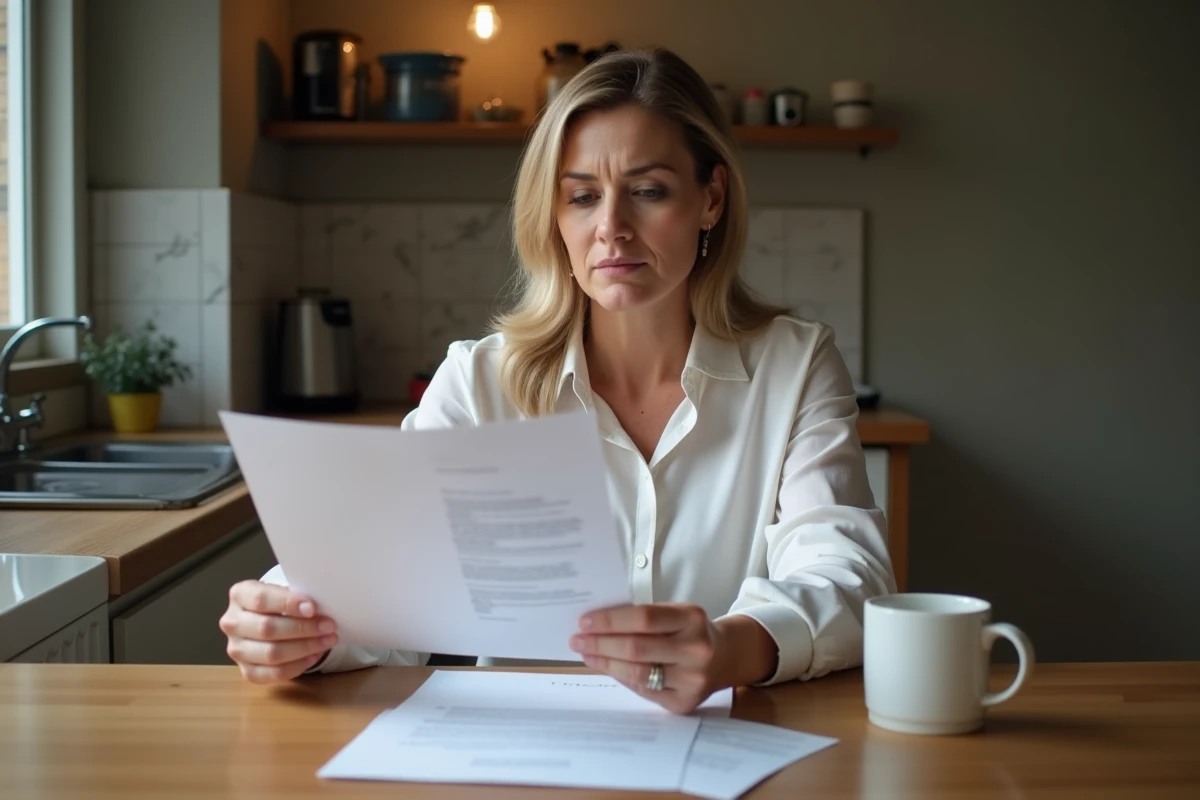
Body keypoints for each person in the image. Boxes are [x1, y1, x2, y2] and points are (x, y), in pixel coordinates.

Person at [220, 48, 896, 714]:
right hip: (523, 765)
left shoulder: (796, 366)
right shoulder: (479, 382)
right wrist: (290, 624)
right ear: (554, 213)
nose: (611, 229)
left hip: (725, 751)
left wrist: (731, 649)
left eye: (648, 191)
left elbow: (850, 579)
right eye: (582, 196)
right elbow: (379, 576)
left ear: (710, 198)